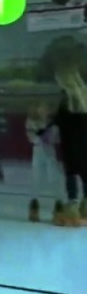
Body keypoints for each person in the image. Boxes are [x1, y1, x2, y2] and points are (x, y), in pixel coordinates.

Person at [51, 69, 87, 226]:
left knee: (71, 175)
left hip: (71, 145)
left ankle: (72, 206)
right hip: (84, 144)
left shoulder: (66, 102)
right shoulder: (84, 97)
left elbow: (59, 121)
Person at [25, 101, 61, 223]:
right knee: (36, 178)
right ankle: (34, 205)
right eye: (41, 109)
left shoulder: (53, 125)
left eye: (46, 109)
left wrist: (48, 134)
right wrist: (39, 135)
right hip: (38, 151)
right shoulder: (31, 122)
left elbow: (56, 139)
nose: (43, 111)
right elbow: (31, 137)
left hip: (50, 152)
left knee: (54, 178)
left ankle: (58, 206)